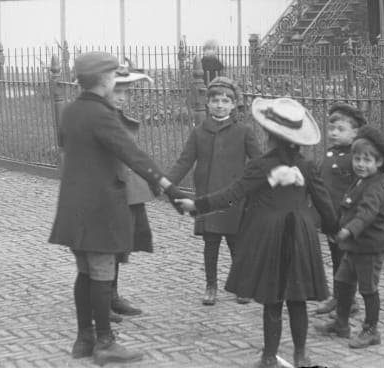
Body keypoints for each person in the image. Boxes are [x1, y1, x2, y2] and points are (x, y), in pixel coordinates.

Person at [175, 96, 338, 368]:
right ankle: (300, 355)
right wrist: (335, 230)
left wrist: (197, 205)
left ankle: (268, 356)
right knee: (296, 299)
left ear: (268, 135)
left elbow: (233, 193)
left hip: (271, 237)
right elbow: (326, 205)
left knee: (272, 299)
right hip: (300, 236)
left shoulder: (261, 166)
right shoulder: (308, 167)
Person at [48, 51, 187, 365]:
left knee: (85, 273)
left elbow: (68, 148)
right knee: (101, 273)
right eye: (114, 77)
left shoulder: (70, 111)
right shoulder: (102, 115)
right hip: (99, 208)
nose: (116, 82)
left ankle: (84, 339)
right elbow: (132, 155)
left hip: (73, 209)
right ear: (104, 79)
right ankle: (105, 343)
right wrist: (169, 188)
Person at [165, 76, 261, 306]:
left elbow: (258, 162)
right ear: (207, 104)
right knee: (211, 244)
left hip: (234, 198)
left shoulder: (244, 131)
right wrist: (166, 183)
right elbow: (184, 161)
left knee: (236, 243)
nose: (220, 105)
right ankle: (211, 285)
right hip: (207, 197)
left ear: (234, 104)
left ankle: (242, 285)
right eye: (215, 100)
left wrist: (258, 184)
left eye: (225, 101)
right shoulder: (199, 132)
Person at [315, 125, 384, 349]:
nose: (360, 164)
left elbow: (365, 214)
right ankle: (341, 323)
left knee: (368, 289)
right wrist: (339, 228)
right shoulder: (359, 181)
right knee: (342, 281)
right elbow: (347, 208)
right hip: (355, 246)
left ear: (378, 163)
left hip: (370, 248)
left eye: (367, 160)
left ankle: (371, 330)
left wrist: (348, 231)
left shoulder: (374, 187)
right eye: (357, 159)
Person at [109, 61, 156, 320]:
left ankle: (112, 294)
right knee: (105, 246)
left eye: (125, 92)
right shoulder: (99, 120)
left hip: (127, 191)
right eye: (117, 91)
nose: (121, 98)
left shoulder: (119, 119)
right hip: (107, 193)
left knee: (121, 244)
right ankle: (101, 299)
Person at [314, 102, 366, 318]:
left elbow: (359, 188)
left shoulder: (355, 159)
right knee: (336, 259)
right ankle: (338, 297)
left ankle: (349, 301)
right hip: (330, 218)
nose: (334, 133)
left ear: (355, 133)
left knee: (346, 262)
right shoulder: (329, 154)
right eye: (332, 128)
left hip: (345, 220)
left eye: (340, 129)